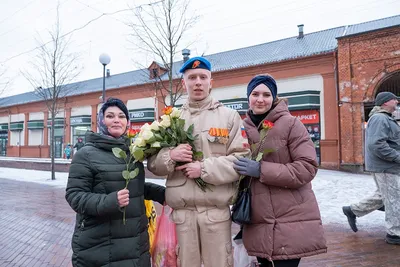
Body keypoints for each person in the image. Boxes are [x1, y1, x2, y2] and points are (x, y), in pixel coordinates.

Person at [147, 56, 250, 267]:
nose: (198, 82)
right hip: (182, 216)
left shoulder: (229, 117)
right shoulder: (170, 119)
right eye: (192, 77)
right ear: (183, 83)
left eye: (203, 77)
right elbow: (153, 164)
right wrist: (171, 156)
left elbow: (241, 160)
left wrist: (203, 168)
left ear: (211, 82)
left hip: (216, 213)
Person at [233, 75, 327, 267]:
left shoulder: (292, 125)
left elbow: (307, 168)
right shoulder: (242, 128)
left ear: (274, 98)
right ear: (248, 97)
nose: (260, 99)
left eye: (266, 94)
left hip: (289, 219)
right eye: (255, 94)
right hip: (258, 221)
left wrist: (261, 169)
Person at [65, 97, 166, 267]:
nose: (117, 120)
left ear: (127, 122)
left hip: (135, 245)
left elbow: (135, 187)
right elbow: (74, 195)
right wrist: (109, 201)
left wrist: (164, 194)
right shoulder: (86, 154)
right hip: (100, 246)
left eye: (121, 116)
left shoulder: (132, 152)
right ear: (101, 121)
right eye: (110, 116)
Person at [344, 92, 400, 245]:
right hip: (386, 166)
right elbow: (376, 145)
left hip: (388, 166)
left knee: (386, 196)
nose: (396, 101)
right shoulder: (380, 118)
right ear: (385, 102)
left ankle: (352, 210)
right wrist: (397, 157)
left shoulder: (385, 118)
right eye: (394, 99)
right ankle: (394, 233)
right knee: (394, 199)